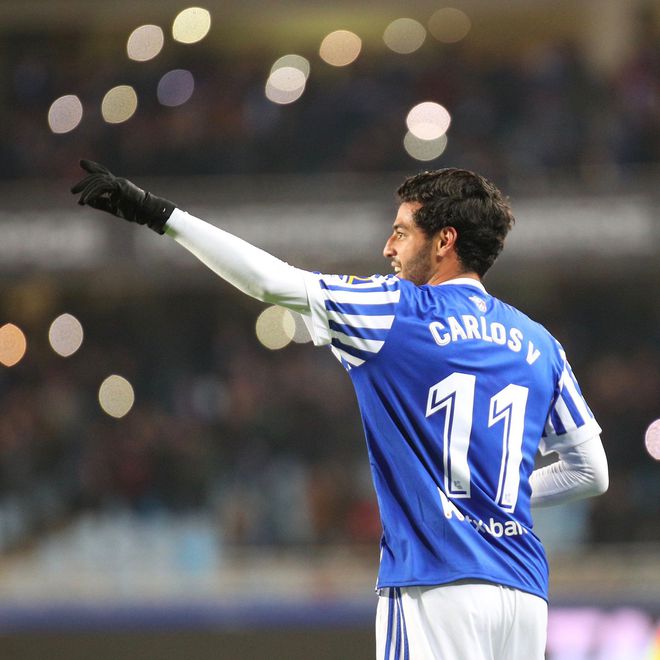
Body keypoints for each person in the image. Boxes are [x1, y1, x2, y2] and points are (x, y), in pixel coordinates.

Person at [71, 160, 608, 659]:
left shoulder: (397, 310)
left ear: (445, 241)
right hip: (524, 594)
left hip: (435, 584)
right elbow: (591, 472)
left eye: (401, 232)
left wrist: (160, 215)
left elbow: (270, 282)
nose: (387, 248)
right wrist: (497, 496)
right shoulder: (541, 344)